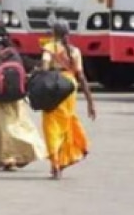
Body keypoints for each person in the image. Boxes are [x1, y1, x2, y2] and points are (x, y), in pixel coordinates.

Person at [0, 23, 45, 171]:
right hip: (15, 95)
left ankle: (0, 157)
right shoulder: (13, 51)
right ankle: (23, 153)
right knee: (18, 124)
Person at [41, 19, 96, 180]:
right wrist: (90, 102)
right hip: (70, 88)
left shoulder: (50, 48)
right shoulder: (75, 51)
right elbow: (81, 77)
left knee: (51, 125)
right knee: (67, 122)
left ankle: (56, 164)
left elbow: (44, 68)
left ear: (54, 33)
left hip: (54, 87)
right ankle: (70, 154)